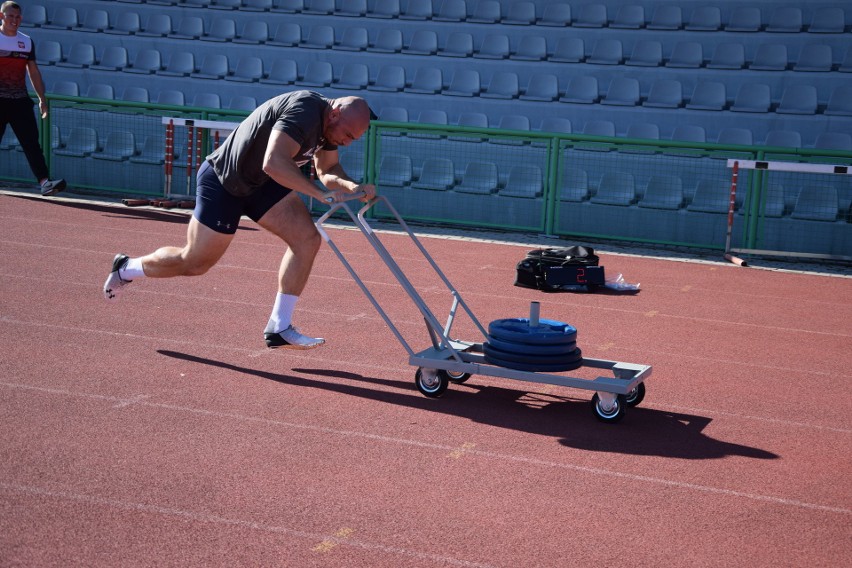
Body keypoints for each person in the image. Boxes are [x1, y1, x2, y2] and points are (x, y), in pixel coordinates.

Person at [103, 91, 376, 350]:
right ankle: (127, 268)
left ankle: (279, 327)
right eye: (348, 135)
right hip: (225, 181)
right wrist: (317, 193)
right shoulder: (304, 110)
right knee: (194, 263)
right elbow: (273, 161)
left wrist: (352, 186)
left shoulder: (331, 126)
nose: (348, 142)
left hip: (263, 184)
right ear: (335, 114)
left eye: (354, 139)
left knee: (306, 239)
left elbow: (327, 169)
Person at [0, 1, 65, 195]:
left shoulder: (26, 41)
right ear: (1, 17)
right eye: (10, 16)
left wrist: (42, 98)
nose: (15, 20)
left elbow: (33, 72)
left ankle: (45, 182)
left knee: (31, 143)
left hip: (20, 101)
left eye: (18, 17)